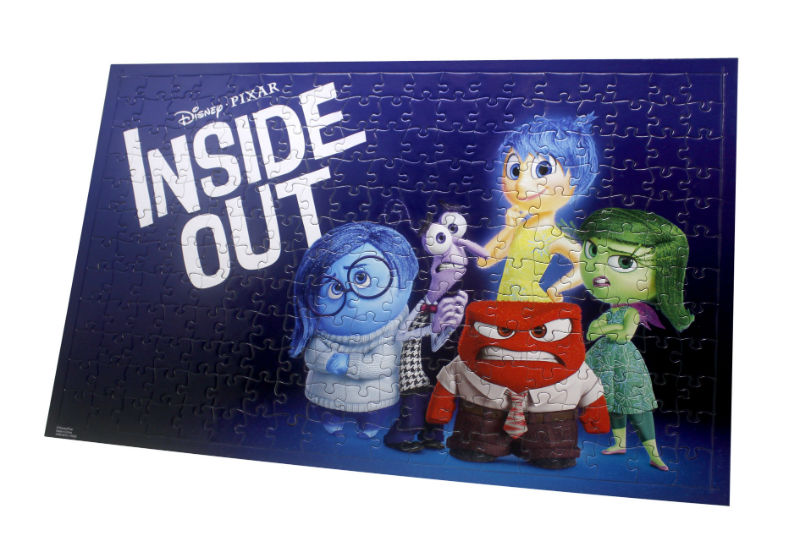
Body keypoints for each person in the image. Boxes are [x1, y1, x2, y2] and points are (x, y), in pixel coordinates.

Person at [569, 208, 694, 471]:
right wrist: (603, 328)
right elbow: (590, 333)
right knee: (613, 403)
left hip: (625, 363)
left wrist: (603, 329)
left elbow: (624, 336)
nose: (598, 268)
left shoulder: (633, 312)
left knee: (637, 406)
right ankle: (619, 443)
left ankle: (654, 453)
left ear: (662, 277)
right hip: (604, 362)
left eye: (625, 262)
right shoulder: (611, 311)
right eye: (592, 250)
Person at [289, 222, 418, 438]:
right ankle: (332, 424)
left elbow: (386, 361)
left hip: (376, 397)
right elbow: (313, 355)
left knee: (374, 415)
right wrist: (328, 361)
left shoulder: (394, 333)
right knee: (328, 412)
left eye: (361, 278)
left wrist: (350, 364)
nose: (351, 299)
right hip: (326, 394)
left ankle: (370, 428)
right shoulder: (322, 334)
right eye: (335, 288)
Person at [479, 114, 598, 302]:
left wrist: (558, 288)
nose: (521, 184)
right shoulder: (518, 228)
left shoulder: (554, 237)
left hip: (534, 306)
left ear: (575, 181)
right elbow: (484, 260)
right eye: (515, 171)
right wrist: (509, 229)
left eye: (543, 170)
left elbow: (586, 265)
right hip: (505, 305)